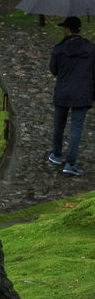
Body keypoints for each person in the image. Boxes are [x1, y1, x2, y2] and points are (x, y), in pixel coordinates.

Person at [48, 15, 95, 177]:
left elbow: (53, 69)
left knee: (59, 126)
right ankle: (70, 163)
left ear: (67, 29)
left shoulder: (59, 48)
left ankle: (56, 154)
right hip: (82, 94)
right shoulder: (90, 48)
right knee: (76, 129)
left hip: (62, 92)